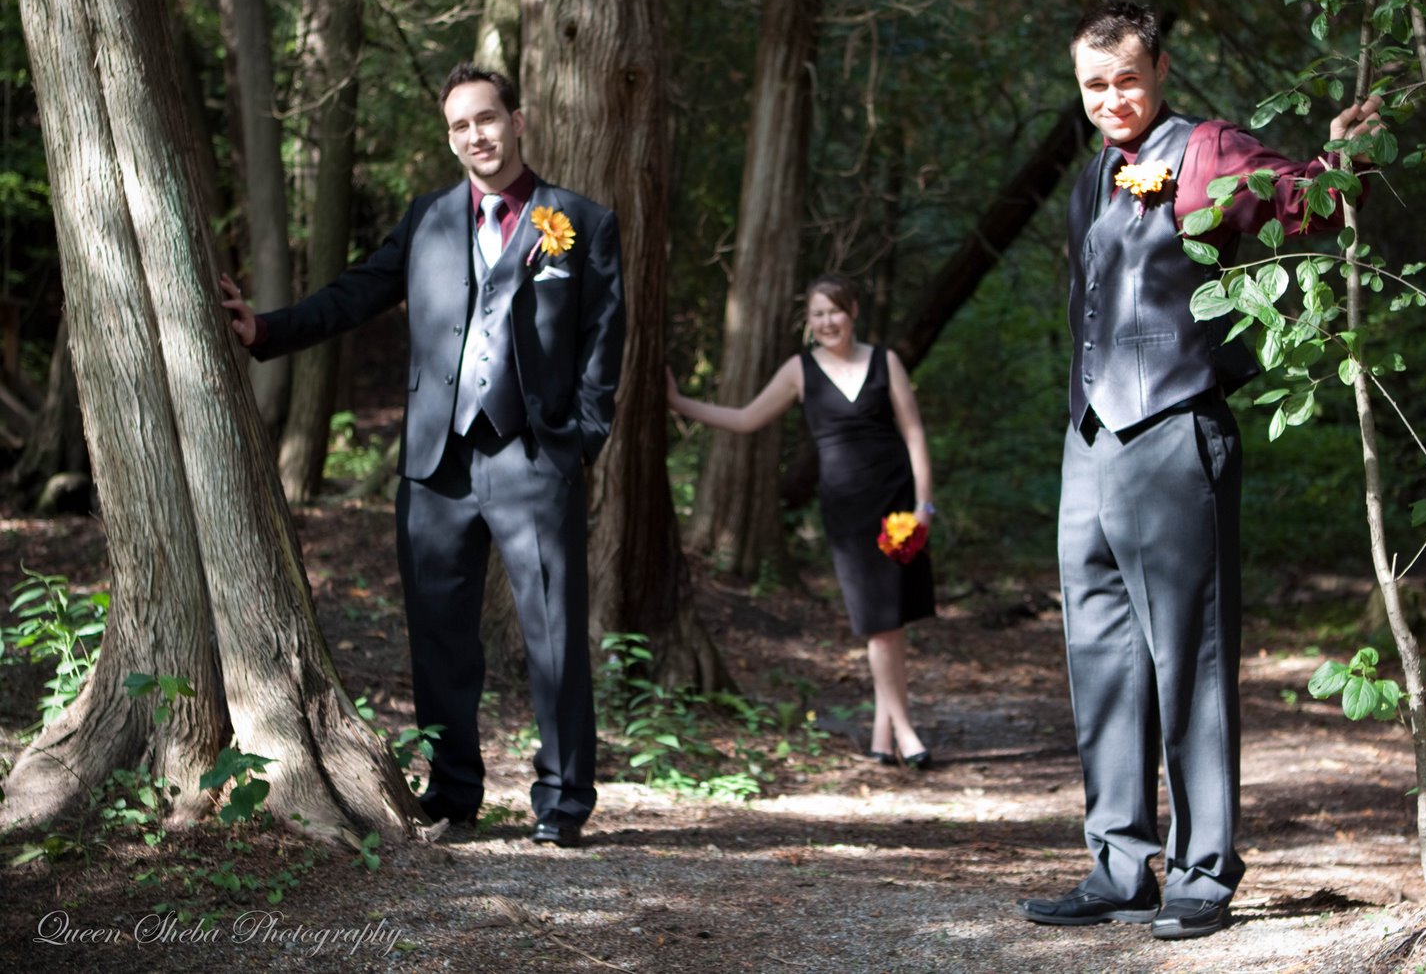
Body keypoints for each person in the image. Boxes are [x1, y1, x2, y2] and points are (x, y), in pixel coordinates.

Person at [1018, 2, 1382, 940]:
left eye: (1126, 81)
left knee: (1191, 656)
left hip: (1174, 428)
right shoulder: (1094, 175)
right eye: (1094, 85)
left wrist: (1342, 156)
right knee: (1100, 654)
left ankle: (1202, 871)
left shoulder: (1208, 149)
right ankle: (1117, 863)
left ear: (1161, 71)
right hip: (1089, 437)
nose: (1111, 99)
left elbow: (1306, 202)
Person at [221, 62, 625, 847]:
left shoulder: (580, 221)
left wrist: (578, 441)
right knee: (439, 633)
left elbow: (603, 342)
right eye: (460, 126)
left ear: (517, 120)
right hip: (436, 463)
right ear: (450, 139)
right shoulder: (429, 219)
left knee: (553, 632)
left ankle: (563, 799)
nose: (477, 135)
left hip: (534, 456)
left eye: (487, 118)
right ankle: (454, 791)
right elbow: (356, 292)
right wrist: (266, 329)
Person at [666, 275, 935, 768]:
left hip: (897, 505)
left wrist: (924, 506)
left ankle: (882, 736)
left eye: (835, 311)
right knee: (877, 623)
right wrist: (680, 403)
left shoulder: (886, 361)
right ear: (809, 321)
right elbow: (747, 419)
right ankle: (906, 731)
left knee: (892, 622)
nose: (828, 321)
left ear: (853, 311)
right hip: (848, 514)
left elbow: (914, 433)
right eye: (818, 314)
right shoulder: (799, 370)